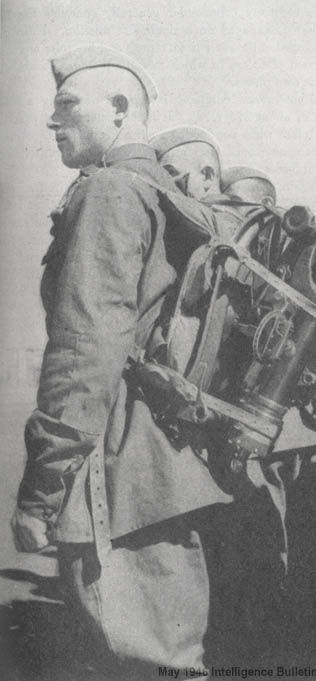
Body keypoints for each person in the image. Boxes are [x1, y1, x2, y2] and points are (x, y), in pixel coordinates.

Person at [11, 46, 234, 677]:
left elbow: (85, 353)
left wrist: (41, 491)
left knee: (133, 660)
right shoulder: (167, 195)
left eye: (66, 106)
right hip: (163, 466)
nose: (53, 123)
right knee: (168, 653)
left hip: (113, 472)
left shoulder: (109, 192)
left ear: (118, 109)